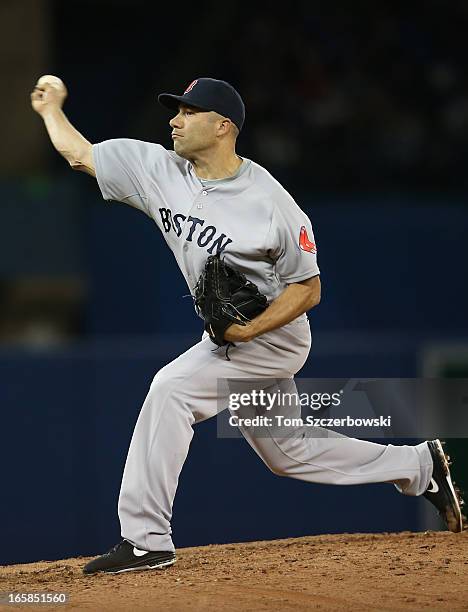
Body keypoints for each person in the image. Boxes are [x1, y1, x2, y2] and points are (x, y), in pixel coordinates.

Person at [31, 76, 464, 574]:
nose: (174, 120)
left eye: (188, 113)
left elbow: (309, 290)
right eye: (176, 111)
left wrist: (249, 331)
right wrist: (51, 111)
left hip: (273, 338)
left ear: (222, 127)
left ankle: (145, 539)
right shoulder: (154, 169)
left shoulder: (270, 202)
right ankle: (419, 467)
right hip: (229, 337)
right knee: (289, 451)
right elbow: (80, 155)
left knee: (171, 388)